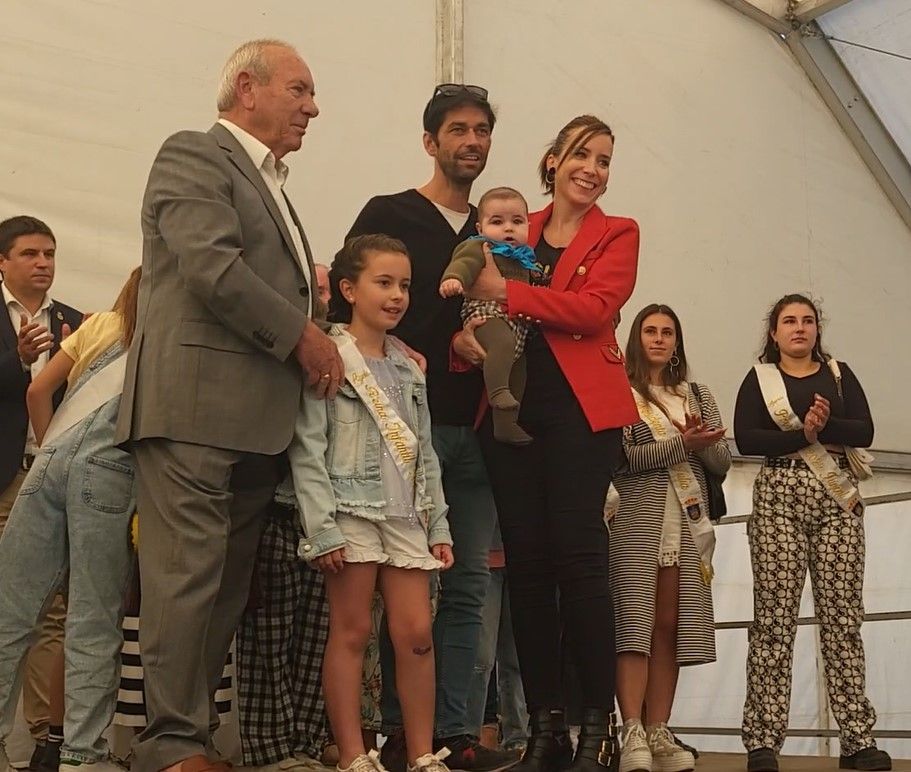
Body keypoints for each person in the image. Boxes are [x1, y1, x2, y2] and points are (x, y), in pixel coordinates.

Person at [115, 39, 341, 772]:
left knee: (222, 588)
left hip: (256, 422)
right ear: (247, 88)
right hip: (192, 409)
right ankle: (172, 744)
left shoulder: (274, 182)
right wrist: (302, 334)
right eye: (299, 91)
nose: (313, 107)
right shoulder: (194, 154)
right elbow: (211, 265)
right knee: (184, 579)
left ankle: (191, 737)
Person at [339, 84, 516, 772]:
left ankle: (457, 734)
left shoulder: (497, 227)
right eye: (458, 130)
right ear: (430, 141)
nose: (471, 141)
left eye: (481, 131)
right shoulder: (389, 214)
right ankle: (392, 734)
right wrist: (430, 345)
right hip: (400, 433)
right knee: (396, 591)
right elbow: (343, 306)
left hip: (476, 431)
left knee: (470, 580)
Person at [467, 114, 639, 772]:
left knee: (579, 560)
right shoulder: (515, 226)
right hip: (511, 412)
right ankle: (543, 727)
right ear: (552, 162)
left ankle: (598, 725)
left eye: (603, 158)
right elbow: (478, 306)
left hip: (580, 415)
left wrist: (506, 292)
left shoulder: (618, 233)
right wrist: (469, 331)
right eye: (581, 155)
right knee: (528, 572)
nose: (592, 168)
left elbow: (595, 310)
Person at [288, 234, 454, 772]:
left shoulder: (410, 367)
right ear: (348, 289)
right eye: (383, 283)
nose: (397, 295)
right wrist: (321, 526)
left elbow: (424, 450)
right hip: (349, 510)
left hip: (407, 513)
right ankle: (355, 755)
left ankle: (423, 753)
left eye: (404, 285)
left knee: (417, 635)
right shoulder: (327, 355)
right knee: (353, 630)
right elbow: (308, 446)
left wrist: (440, 523)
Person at [734, 294, 890, 772]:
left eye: (807, 321)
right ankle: (763, 740)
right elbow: (747, 437)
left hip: (837, 500)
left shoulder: (839, 374)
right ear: (774, 332)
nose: (799, 328)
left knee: (844, 620)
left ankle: (857, 739)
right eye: (789, 321)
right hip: (779, 496)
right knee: (774, 621)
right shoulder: (759, 379)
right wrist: (803, 434)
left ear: (817, 329)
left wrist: (825, 426)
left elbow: (864, 429)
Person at [0, 267, 142, 772]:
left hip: (49, 458)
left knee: (10, 613)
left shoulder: (99, 324)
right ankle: (82, 756)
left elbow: (38, 389)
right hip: (109, 471)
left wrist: (47, 448)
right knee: (92, 619)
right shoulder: (170, 344)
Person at [611, 304, 730, 772]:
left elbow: (720, 461)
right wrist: (685, 444)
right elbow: (627, 457)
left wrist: (704, 442)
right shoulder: (619, 389)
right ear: (635, 339)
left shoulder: (697, 394)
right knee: (633, 626)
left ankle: (659, 728)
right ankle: (631, 731)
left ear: (678, 342)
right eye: (650, 331)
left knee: (669, 628)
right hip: (638, 519)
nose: (659, 339)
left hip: (687, 521)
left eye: (668, 333)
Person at [0, 215, 82, 772]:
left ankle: (42, 742)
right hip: (4, 478)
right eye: (30, 253)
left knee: (51, 611)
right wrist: (18, 360)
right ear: (2, 262)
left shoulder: (76, 322)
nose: (43, 262)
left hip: (52, 477)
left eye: (49, 253)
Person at [440, 186, 540, 445]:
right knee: (502, 344)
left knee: (520, 369)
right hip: (487, 315)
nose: (508, 228)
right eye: (497, 222)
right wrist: (454, 278)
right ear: (480, 227)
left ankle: (506, 424)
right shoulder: (478, 247)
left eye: (517, 222)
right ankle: (497, 392)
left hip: (517, 324)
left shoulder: (527, 259)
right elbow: (464, 263)